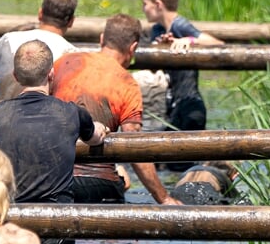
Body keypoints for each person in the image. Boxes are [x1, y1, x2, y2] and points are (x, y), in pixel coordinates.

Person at [0, 40, 108, 244]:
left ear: (16, 77)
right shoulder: (71, 113)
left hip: (11, 226)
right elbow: (95, 137)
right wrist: (101, 128)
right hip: (59, 228)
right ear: (51, 74)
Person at [50, 13, 181, 206]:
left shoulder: (64, 63)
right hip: (99, 184)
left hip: (52, 178)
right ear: (133, 48)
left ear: (102, 38)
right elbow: (134, 147)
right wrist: (163, 197)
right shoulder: (126, 82)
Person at [137, 0, 222, 146]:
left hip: (189, 105)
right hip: (171, 107)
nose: (143, 8)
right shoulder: (158, 30)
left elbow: (218, 44)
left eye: (145, 4)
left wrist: (190, 40)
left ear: (158, 4)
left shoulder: (180, 25)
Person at [0, 0, 78, 110]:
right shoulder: (72, 55)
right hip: (48, 126)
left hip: (4, 124)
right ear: (71, 21)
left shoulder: (8, 41)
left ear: (40, 13)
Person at [171, 161, 242, 206]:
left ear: (205, 165)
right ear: (235, 175)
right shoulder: (224, 178)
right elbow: (238, 202)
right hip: (206, 193)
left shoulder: (187, 173)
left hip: (179, 193)